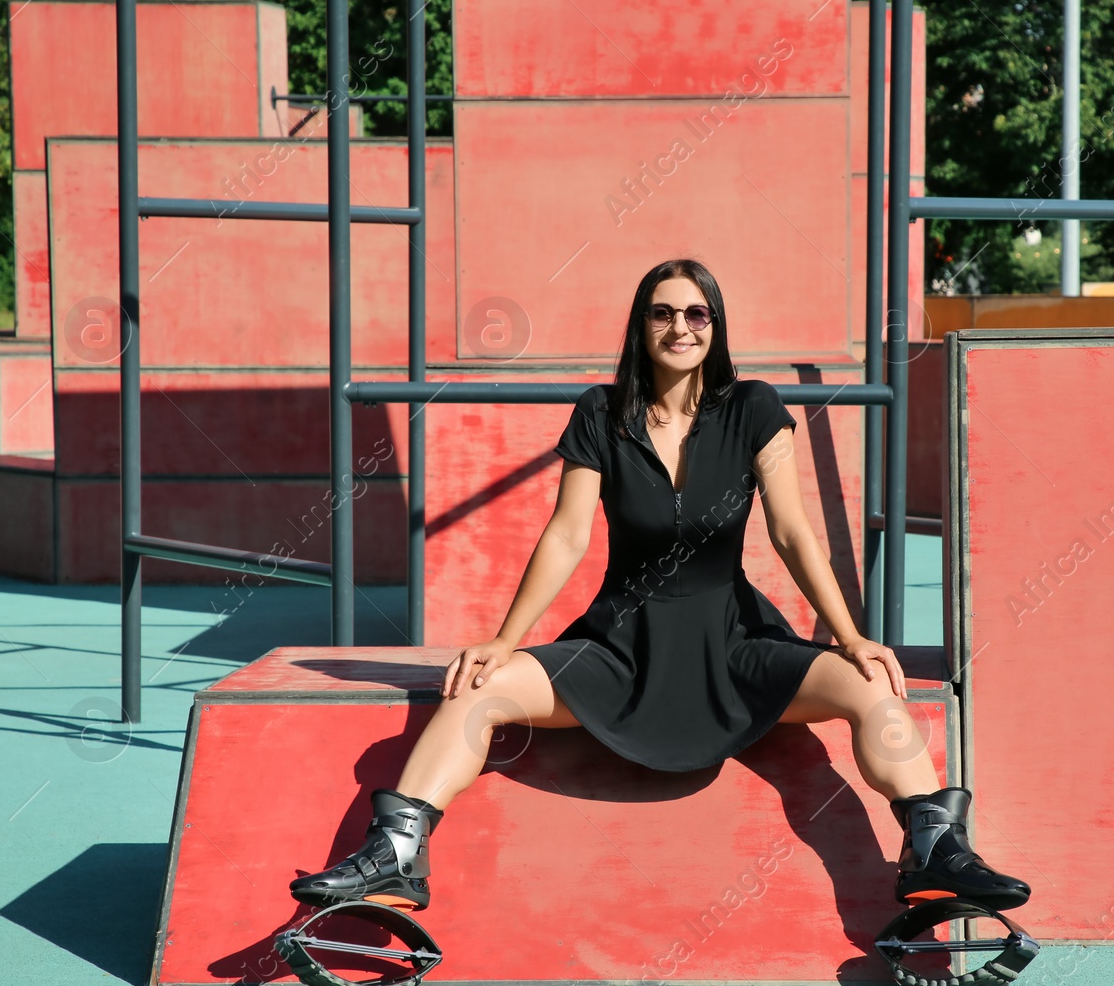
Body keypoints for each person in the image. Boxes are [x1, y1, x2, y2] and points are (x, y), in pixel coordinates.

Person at [290, 259, 1030, 915]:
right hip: (619, 649)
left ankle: (935, 851)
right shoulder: (600, 414)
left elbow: (793, 532)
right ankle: (395, 857)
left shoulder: (754, 408)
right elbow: (567, 534)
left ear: (716, 325)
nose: (681, 325)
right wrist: (503, 640)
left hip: (736, 648)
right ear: (641, 325)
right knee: (473, 692)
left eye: (696, 312)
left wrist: (849, 633)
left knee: (873, 692)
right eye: (664, 311)